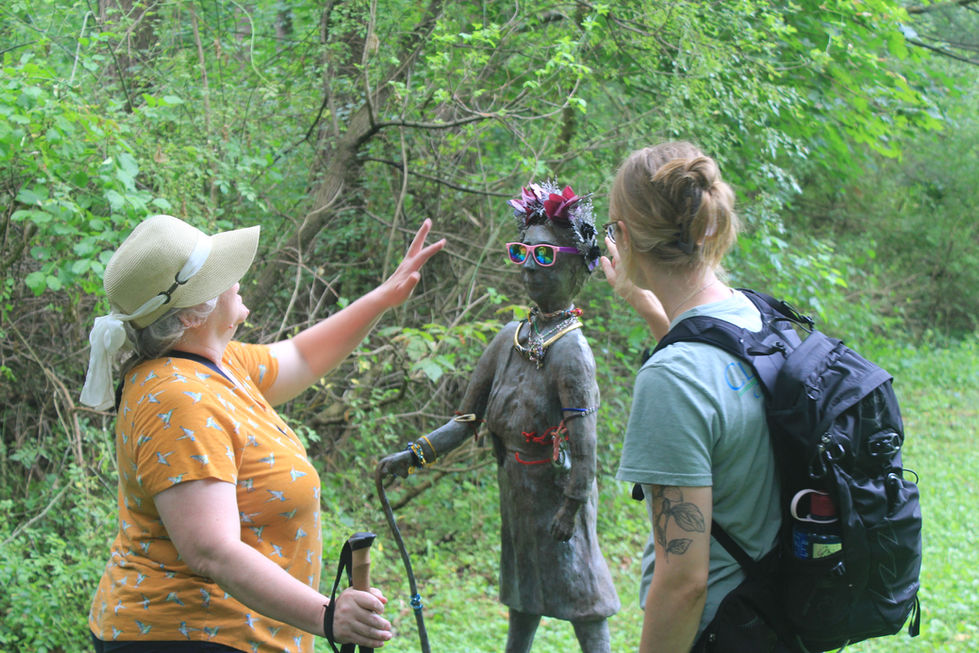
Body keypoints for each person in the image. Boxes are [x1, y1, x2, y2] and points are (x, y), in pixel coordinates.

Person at [80, 213, 445, 653]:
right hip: (188, 638)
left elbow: (302, 357)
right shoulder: (178, 398)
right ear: (196, 311)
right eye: (221, 274)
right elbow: (211, 551)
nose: (236, 279)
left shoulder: (217, 364)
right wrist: (327, 616)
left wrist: (382, 298)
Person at [378, 182, 620, 653]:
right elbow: (466, 420)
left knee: (583, 595)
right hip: (517, 490)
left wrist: (571, 507)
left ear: (575, 266)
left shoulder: (572, 354)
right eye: (522, 252)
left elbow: (585, 447)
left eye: (545, 256)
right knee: (523, 595)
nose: (530, 265)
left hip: (557, 497)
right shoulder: (511, 337)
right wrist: (412, 456)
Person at [603, 142, 783, 652]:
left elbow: (685, 583)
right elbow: (712, 374)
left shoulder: (672, 379)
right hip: (779, 617)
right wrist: (646, 301)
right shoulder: (757, 317)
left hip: (721, 631)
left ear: (623, 235)